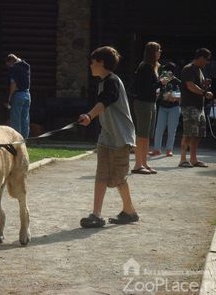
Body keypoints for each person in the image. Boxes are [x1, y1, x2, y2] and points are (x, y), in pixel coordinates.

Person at [78, 46, 139, 228]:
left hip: (120, 138)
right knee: (101, 175)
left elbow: (106, 100)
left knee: (118, 178)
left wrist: (89, 115)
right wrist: (90, 115)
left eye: (93, 61)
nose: (90, 65)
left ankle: (130, 211)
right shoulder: (103, 82)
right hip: (106, 137)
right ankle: (96, 214)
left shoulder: (112, 81)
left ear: (101, 63)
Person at [132, 41, 167, 174]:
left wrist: (159, 83)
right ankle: (137, 165)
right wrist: (160, 83)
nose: (160, 52)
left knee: (147, 135)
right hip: (143, 103)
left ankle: (144, 163)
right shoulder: (145, 66)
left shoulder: (153, 66)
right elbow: (146, 88)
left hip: (151, 103)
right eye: (158, 50)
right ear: (152, 52)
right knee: (142, 134)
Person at [178, 48, 213, 168]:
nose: (207, 62)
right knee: (188, 132)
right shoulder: (188, 69)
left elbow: (197, 85)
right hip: (189, 106)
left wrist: (205, 85)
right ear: (201, 57)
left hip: (199, 106)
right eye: (207, 59)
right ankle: (183, 159)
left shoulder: (199, 70)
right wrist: (204, 93)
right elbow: (190, 86)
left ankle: (193, 159)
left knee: (198, 134)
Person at [149, 62, 181, 157]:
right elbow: (157, 92)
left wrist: (173, 96)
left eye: (168, 71)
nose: (166, 73)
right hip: (162, 107)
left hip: (174, 107)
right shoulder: (161, 80)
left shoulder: (177, 81)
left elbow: (183, 93)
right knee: (159, 129)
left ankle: (169, 150)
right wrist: (161, 95)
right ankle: (156, 149)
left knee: (172, 130)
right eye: (165, 71)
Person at [6, 54, 31, 139]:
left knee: (15, 119)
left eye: (8, 64)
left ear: (11, 61)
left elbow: (13, 83)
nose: (8, 67)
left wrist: (10, 96)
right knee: (25, 119)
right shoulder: (26, 66)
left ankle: (17, 141)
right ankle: (24, 140)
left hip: (18, 94)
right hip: (27, 94)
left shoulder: (14, 68)